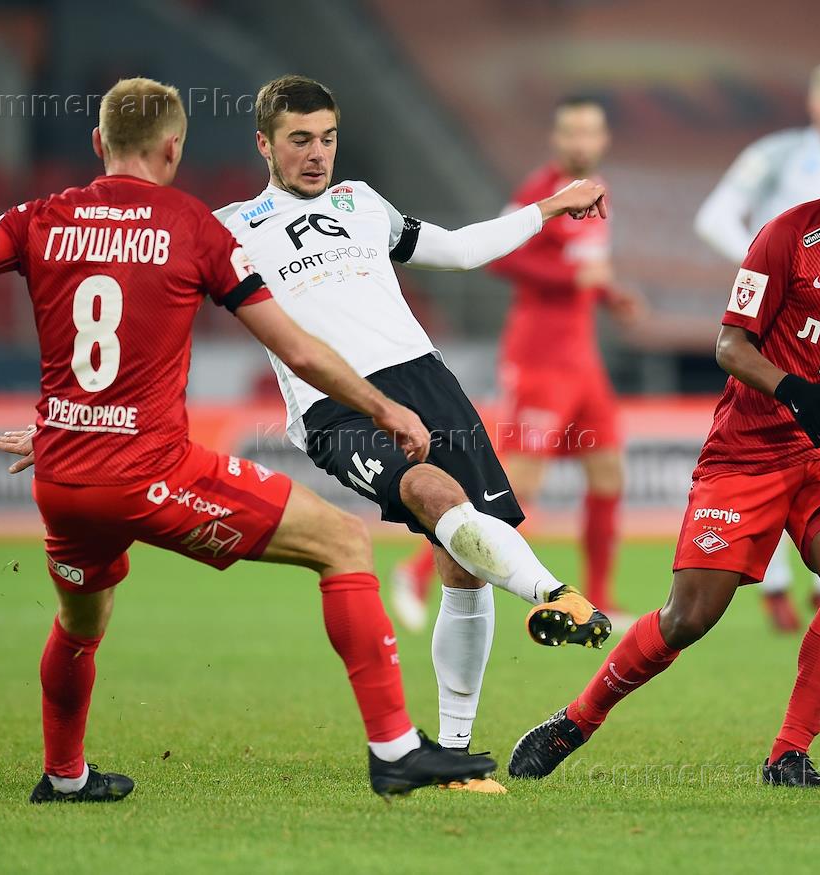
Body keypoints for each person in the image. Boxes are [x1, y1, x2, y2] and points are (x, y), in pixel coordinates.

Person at [0, 77, 495, 802]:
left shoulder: (41, 217)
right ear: (174, 148)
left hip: (63, 478)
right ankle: (396, 751)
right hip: (151, 474)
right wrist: (383, 408)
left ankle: (65, 776)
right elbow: (300, 353)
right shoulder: (193, 226)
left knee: (79, 624)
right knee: (343, 543)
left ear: (99, 142)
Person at [508, 112, 820, 787]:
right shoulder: (787, 237)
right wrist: (791, 389)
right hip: (747, 452)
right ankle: (576, 718)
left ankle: (789, 754)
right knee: (689, 617)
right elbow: (730, 345)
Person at [212, 75, 613, 789]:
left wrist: (549, 207)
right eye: (300, 140)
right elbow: (146, 292)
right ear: (264, 144)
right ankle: (556, 594)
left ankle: (456, 754)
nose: (317, 153)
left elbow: (456, 250)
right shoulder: (229, 227)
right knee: (430, 491)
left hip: (426, 380)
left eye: (328, 138)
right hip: (336, 403)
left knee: (463, 566)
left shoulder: (362, 203)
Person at [392, 95, 645, 631]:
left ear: (603, 140)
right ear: (557, 139)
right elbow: (500, 259)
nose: (581, 142)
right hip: (539, 360)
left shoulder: (597, 190)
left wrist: (610, 295)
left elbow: (585, 267)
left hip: (583, 361)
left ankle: (602, 593)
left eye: (590, 132)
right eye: (572, 132)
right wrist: (573, 280)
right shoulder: (541, 192)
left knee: (608, 472)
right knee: (516, 484)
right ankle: (415, 571)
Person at [693, 59, 820, 632]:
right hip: (777, 324)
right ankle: (774, 586)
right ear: (814, 104)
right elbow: (714, 217)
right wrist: (764, 266)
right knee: (765, 444)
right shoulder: (775, 155)